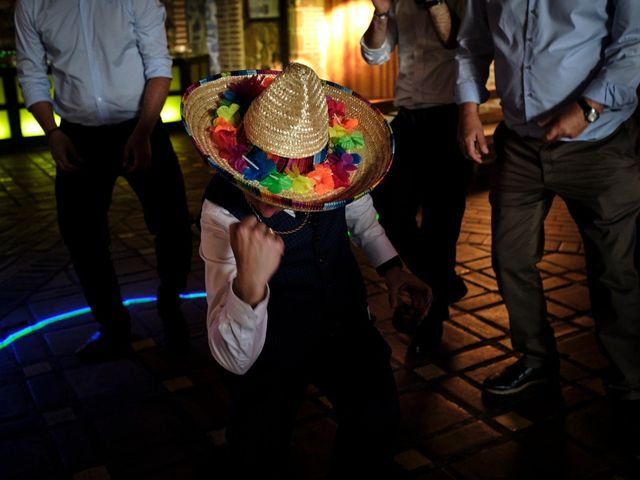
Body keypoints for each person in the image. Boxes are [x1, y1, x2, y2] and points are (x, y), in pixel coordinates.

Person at [187, 63, 432, 476]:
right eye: (262, 173)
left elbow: (361, 218)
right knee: (255, 450)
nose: (271, 194)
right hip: (270, 342)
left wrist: (392, 269)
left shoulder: (336, 174)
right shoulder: (221, 213)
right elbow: (232, 357)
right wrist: (249, 285)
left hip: (342, 320)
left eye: (296, 171)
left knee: (378, 419)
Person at [456, 1, 640, 402]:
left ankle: (631, 383)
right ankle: (536, 361)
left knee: (615, 270)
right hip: (520, 144)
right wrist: (469, 110)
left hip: (599, 142)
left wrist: (588, 108)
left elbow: (633, 43)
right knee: (510, 258)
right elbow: (473, 43)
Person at [15, 0, 193, 361]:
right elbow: (31, 72)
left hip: (141, 125)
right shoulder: (32, 5)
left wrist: (144, 130)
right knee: (82, 237)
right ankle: (114, 327)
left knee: (173, 224)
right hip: (78, 134)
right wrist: (51, 133)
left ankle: (171, 306)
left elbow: (158, 65)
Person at [360, 0, 472, 354]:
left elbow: (460, 40)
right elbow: (374, 55)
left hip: (451, 118)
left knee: (441, 227)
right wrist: (380, 12)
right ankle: (443, 283)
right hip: (408, 118)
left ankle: (431, 322)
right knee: (387, 209)